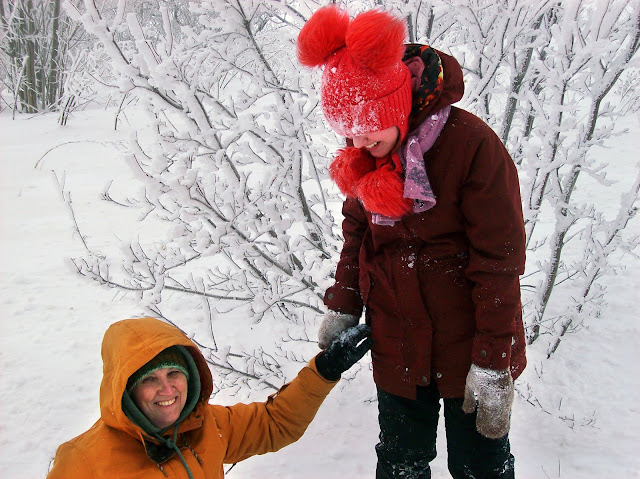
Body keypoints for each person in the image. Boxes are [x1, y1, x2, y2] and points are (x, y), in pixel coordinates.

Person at [297, 6, 527, 479]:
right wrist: (343, 304)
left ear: (396, 105)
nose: (360, 143)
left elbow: (498, 262)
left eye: (370, 126)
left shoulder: (470, 146)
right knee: (400, 465)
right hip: (398, 342)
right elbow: (357, 235)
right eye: (349, 131)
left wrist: (491, 362)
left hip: (470, 344)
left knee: (479, 467)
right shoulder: (365, 158)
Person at [46, 316, 371, 478]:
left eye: (174, 374)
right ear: (126, 389)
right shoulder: (84, 463)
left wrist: (324, 371)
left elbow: (276, 424)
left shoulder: (206, 426)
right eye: (150, 379)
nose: (168, 390)